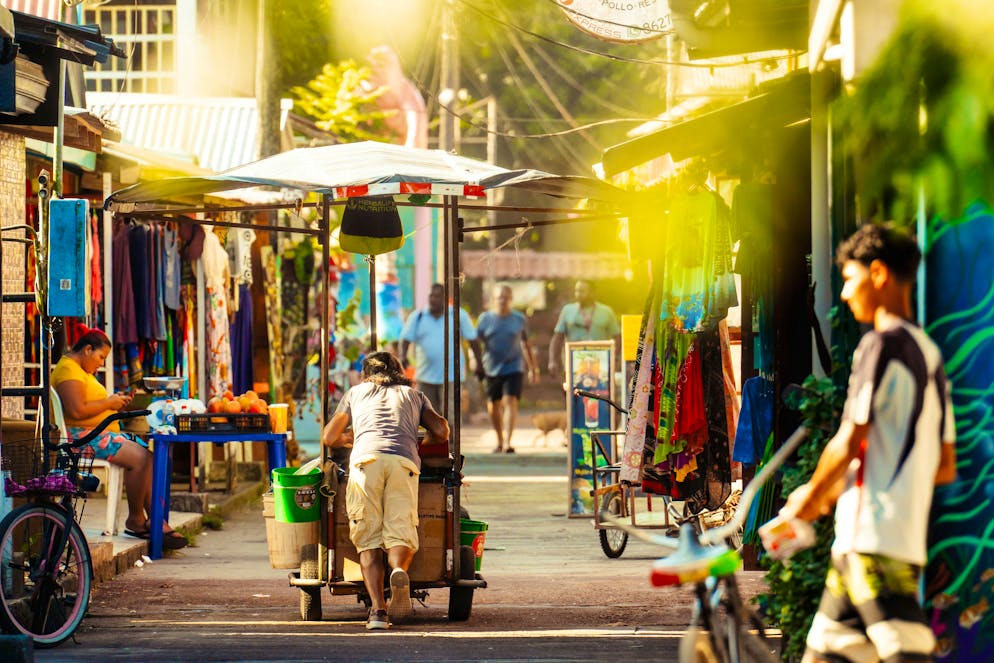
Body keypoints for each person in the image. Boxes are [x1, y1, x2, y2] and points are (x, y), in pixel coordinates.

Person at [781, 224, 956, 663]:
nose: (843, 294)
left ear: (878, 274)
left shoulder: (879, 346)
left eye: (849, 278)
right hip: (887, 537)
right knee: (827, 650)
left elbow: (848, 439)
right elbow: (944, 465)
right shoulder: (929, 353)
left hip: (872, 539)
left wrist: (808, 500)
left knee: (907, 651)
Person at [321, 351, 449, 631]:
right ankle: (400, 571)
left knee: (368, 538)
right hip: (403, 462)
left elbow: (329, 437)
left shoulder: (355, 393)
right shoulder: (413, 395)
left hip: (366, 462)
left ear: (367, 374)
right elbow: (441, 430)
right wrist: (421, 443)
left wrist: (350, 439)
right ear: (399, 371)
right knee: (400, 529)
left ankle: (378, 612)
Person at [51, 326, 188, 550]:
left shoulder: (80, 371)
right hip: (81, 437)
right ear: (87, 349)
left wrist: (116, 403)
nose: (101, 363)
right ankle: (136, 520)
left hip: (97, 433)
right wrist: (109, 403)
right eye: (100, 357)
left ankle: (156, 520)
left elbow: (90, 405)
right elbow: (76, 411)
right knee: (141, 458)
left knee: (151, 457)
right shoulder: (68, 370)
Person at [399, 283, 484, 415]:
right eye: (431, 296)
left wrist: (479, 363)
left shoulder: (458, 315)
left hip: (451, 376)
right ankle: (434, 437)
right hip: (425, 376)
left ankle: (451, 437)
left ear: (445, 298)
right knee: (428, 417)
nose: (433, 299)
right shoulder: (418, 317)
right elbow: (405, 339)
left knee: (450, 416)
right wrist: (403, 356)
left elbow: (473, 340)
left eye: (437, 296)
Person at [475, 284, 538, 454]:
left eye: (506, 297)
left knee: (510, 401)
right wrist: (475, 362)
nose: (502, 300)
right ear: (493, 299)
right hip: (491, 367)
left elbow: (526, 344)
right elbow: (475, 343)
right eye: (499, 297)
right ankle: (499, 440)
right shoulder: (485, 319)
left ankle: (509, 442)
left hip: (514, 366)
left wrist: (533, 368)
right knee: (493, 404)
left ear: (511, 299)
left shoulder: (519, 319)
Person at [547, 280, 620, 378]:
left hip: (600, 366)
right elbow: (557, 338)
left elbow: (617, 337)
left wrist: (614, 358)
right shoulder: (567, 310)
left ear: (592, 293)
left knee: (598, 392)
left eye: (581, 291)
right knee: (572, 393)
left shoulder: (606, 312)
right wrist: (552, 361)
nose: (577, 294)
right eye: (576, 291)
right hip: (573, 364)